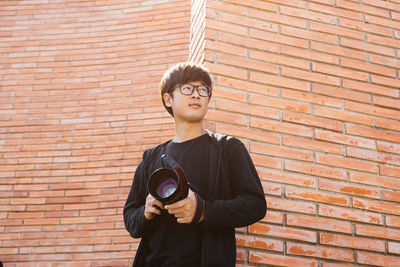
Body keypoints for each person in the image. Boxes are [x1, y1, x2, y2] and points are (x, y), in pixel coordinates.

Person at [123, 62, 266, 267]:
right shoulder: (150, 158)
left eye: (203, 89)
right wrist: (145, 212)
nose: (197, 94)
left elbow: (255, 205)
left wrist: (203, 211)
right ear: (168, 99)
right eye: (187, 88)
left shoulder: (228, 149)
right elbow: (130, 218)